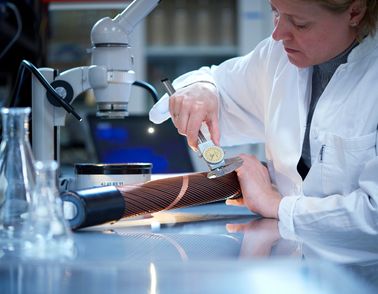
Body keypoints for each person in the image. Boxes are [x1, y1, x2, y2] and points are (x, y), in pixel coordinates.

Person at [149, 0, 378, 236]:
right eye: (275, 12)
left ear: (356, 11)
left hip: (359, 270)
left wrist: (276, 205)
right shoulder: (276, 57)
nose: (278, 34)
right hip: (286, 261)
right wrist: (203, 89)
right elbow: (214, 81)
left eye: (300, 24)